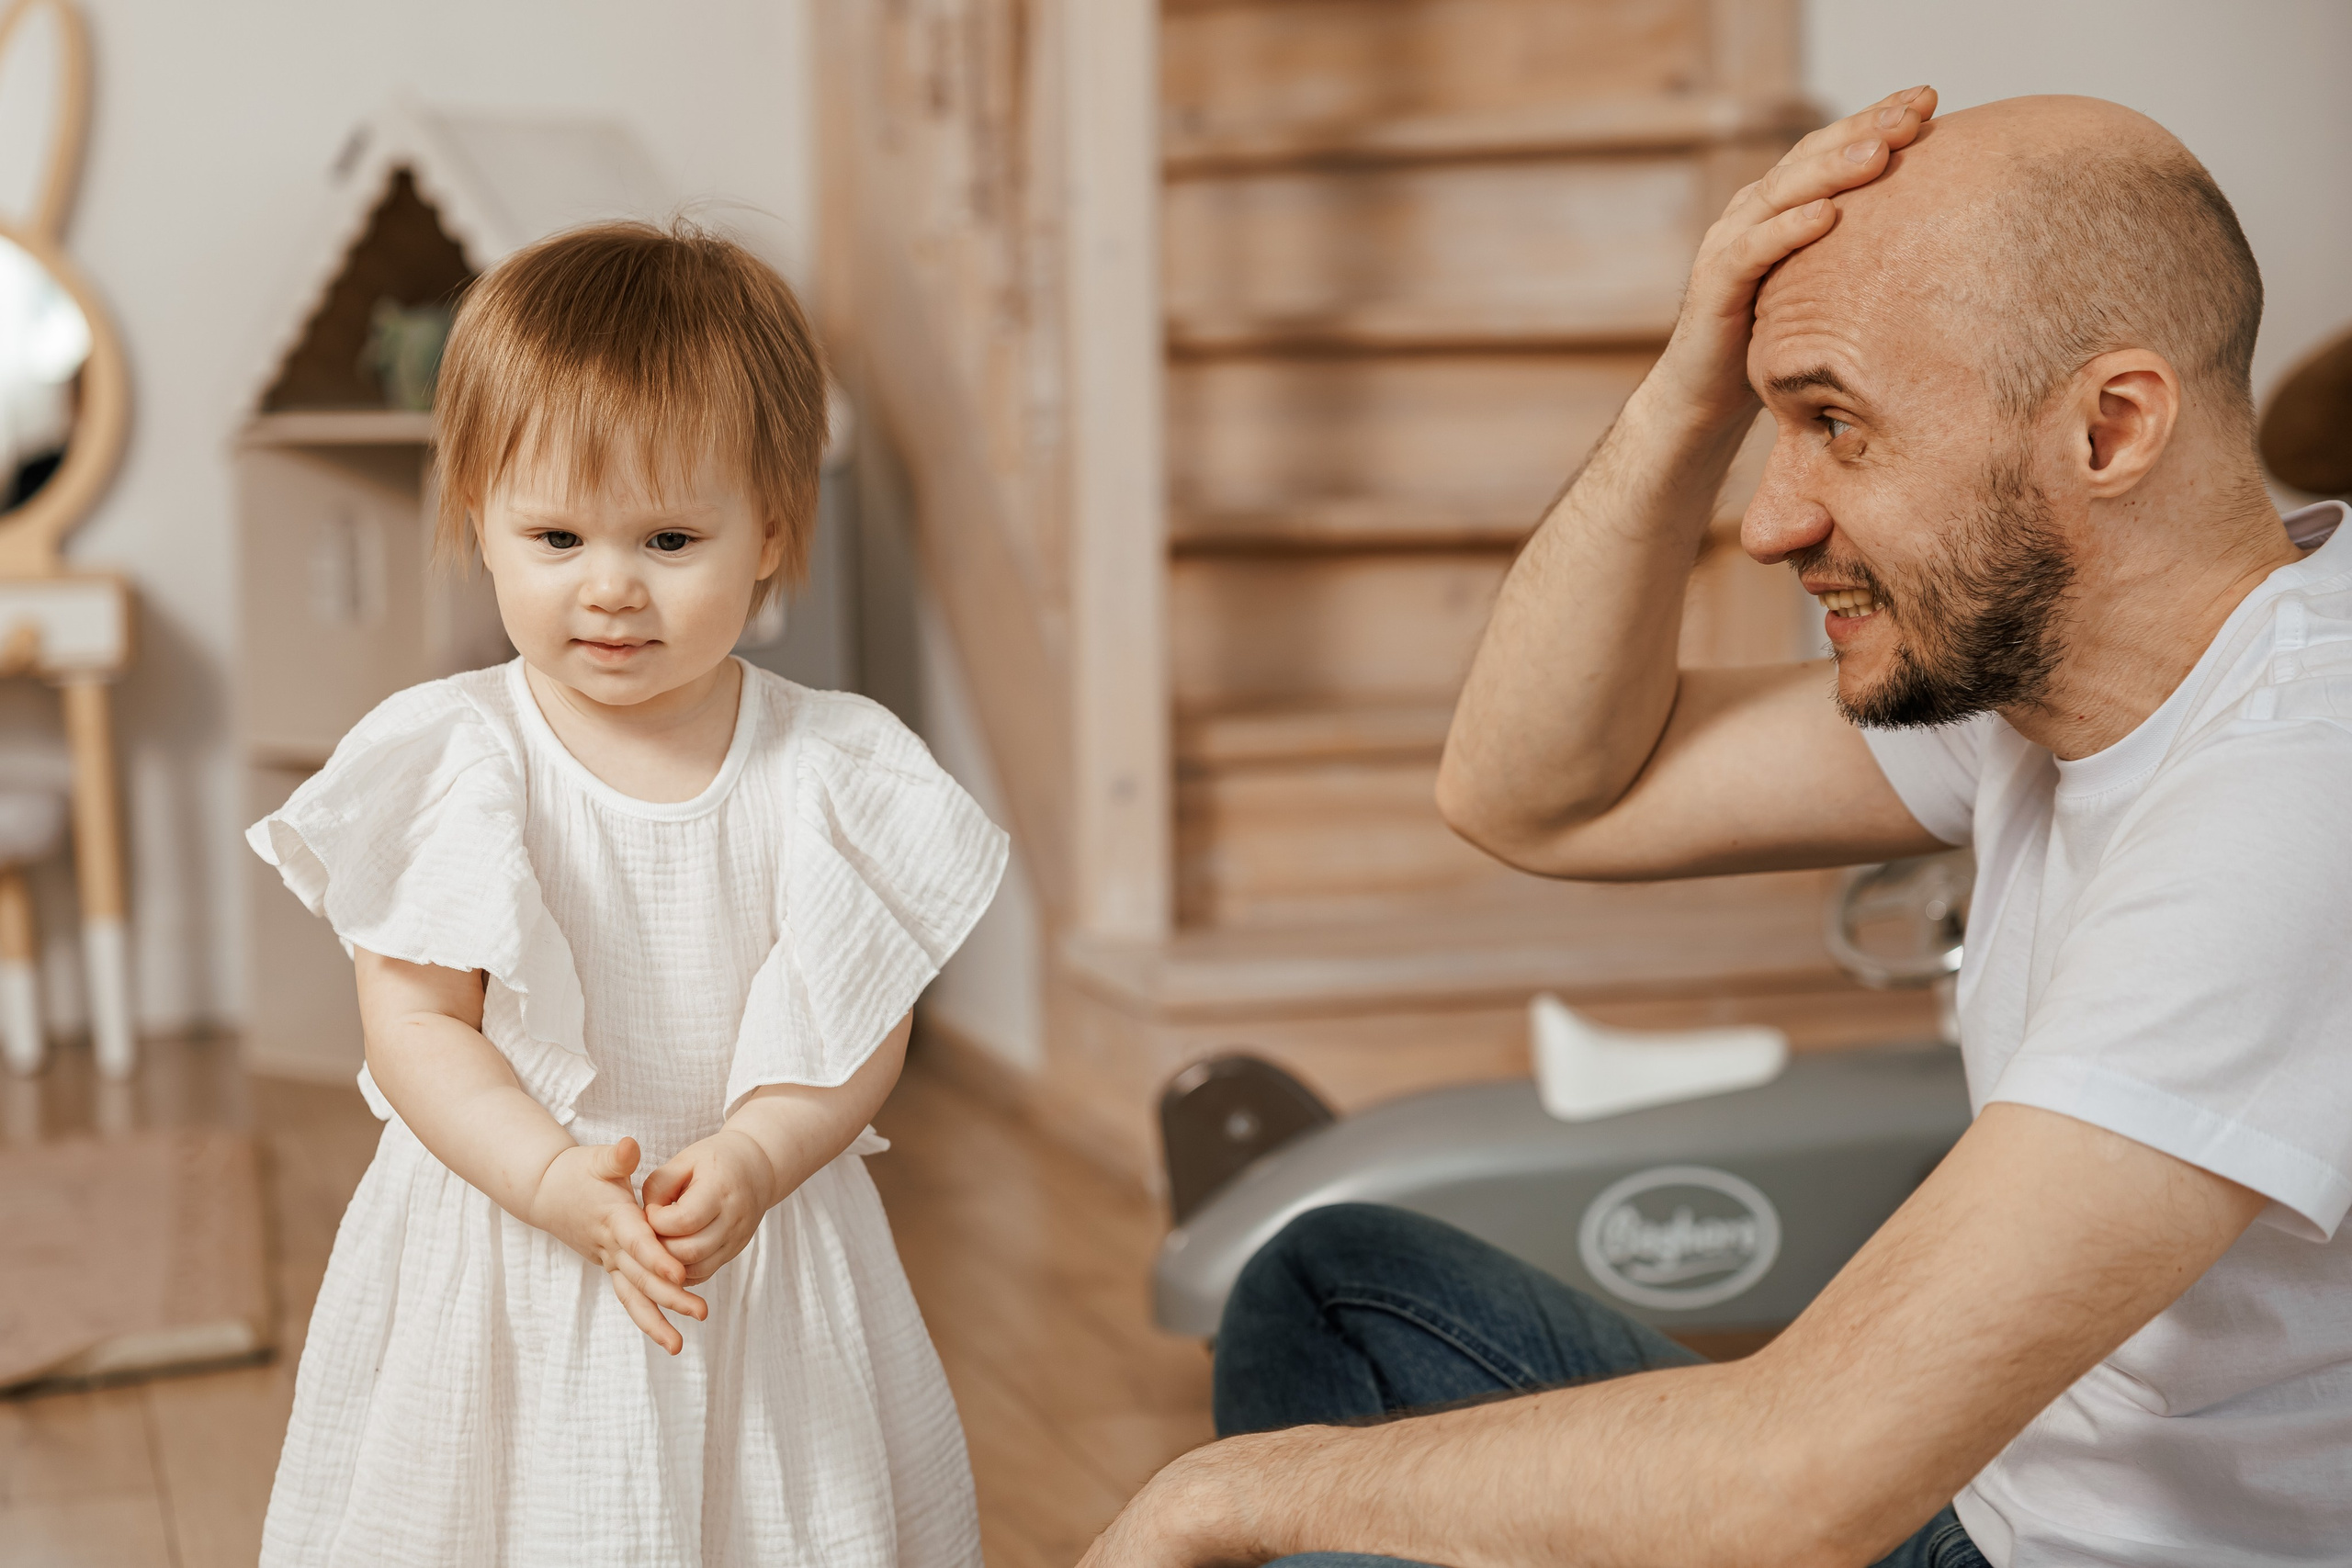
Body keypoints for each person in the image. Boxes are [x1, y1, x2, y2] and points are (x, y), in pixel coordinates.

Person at [1082, 88, 2352, 1568]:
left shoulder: (2292, 797)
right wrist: (1688, 382)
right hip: (1977, 1512)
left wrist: (1220, 1497)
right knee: (1330, 1285)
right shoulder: (2080, 663)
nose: (1768, 521)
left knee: (1307, 1502)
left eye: (1835, 425)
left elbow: (1797, 1487)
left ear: (2110, 426)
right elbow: (1535, 793)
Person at [250, 223, 1006, 1567]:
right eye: (554, 534)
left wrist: (765, 1154)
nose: (609, 587)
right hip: (505, 1249)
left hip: (748, 1249)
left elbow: (853, 1023)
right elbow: (418, 1024)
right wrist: (548, 1176)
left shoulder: (826, 769)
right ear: (476, 517)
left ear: (772, 530)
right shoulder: (460, 762)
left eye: (668, 536)